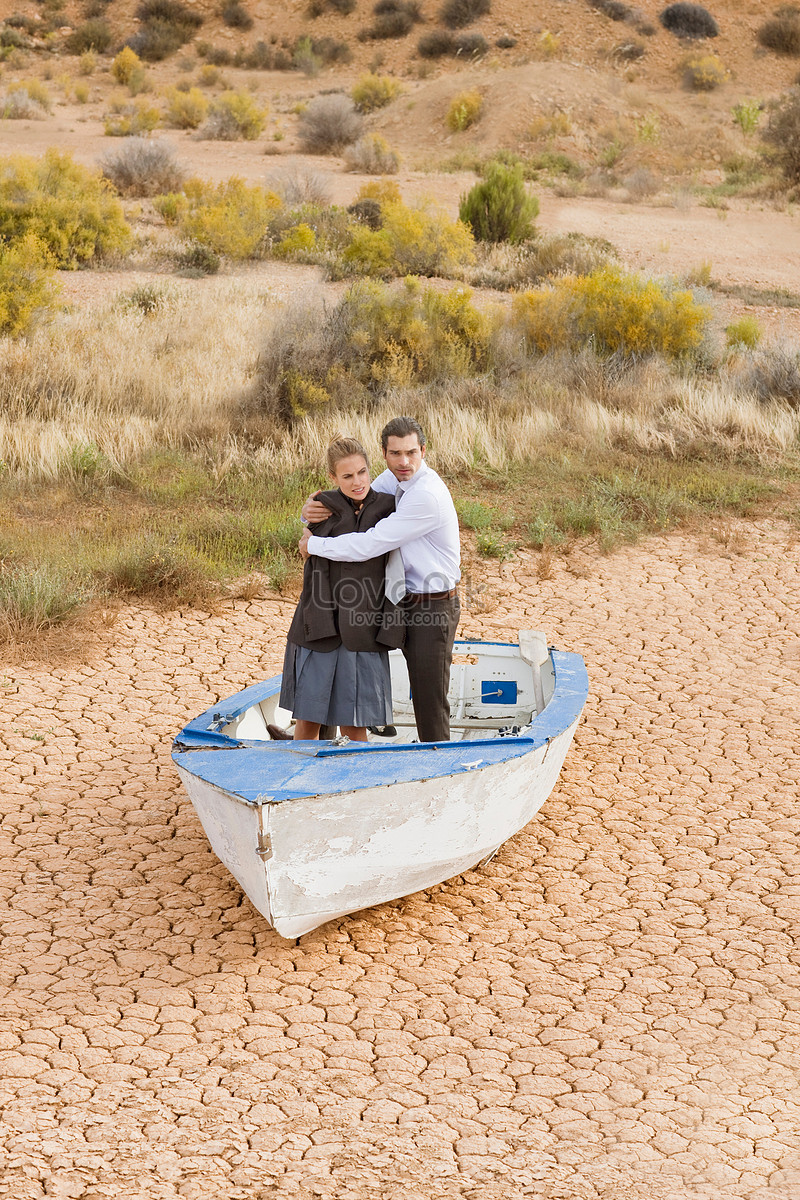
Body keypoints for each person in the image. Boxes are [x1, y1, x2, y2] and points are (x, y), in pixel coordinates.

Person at [300, 416, 460, 743]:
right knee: (342, 671)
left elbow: (372, 542)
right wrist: (309, 511)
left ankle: (435, 773)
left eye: (412, 452)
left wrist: (313, 545)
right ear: (384, 453)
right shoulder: (393, 479)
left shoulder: (425, 495)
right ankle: (323, 752)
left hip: (432, 608)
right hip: (393, 602)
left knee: (429, 702)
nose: (404, 461)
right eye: (396, 453)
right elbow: (351, 500)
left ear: (423, 451)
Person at [280, 436, 405, 742]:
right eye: (347, 476)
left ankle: (355, 785)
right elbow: (306, 536)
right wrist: (306, 517)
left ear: (370, 469)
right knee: (307, 721)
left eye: (362, 472)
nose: (357, 481)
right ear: (333, 478)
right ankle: (301, 785)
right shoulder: (323, 507)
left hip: (363, 630)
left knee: (355, 726)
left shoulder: (390, 508)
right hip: (318, 626)